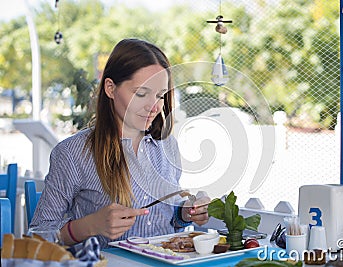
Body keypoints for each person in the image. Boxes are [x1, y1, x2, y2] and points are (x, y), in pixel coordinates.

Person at [30, 38, 210, 248]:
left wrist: (186, 213)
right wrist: (89, 225)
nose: (154, 107)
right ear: (110, 88)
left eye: (160, 96)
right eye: (141, 93)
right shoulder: (72, 153)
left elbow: (168, 217)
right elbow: (38, 236)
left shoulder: (168, 145)